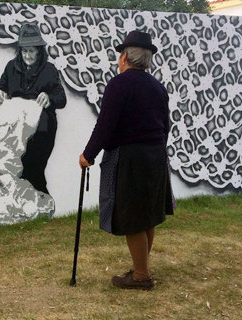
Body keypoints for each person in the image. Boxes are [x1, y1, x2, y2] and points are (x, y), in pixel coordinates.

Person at [79, 30, 174, 290]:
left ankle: (142, 276)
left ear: (124, 57)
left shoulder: (118, 85)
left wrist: (88, 155)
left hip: (130, 158)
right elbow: (166, 125)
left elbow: (105, 126)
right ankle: (141, 268)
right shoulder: (157, 87)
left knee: (133, 216)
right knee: (148, 215)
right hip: (155, 155)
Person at [0, 23, 67, 194]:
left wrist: (49, 98)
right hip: (13, 128)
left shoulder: (49, 70)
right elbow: (0, 87)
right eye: (24, 51)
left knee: (34, 170)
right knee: (15, 170)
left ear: (39, 51)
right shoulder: (11, 67)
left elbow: (61, 98)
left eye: (31, 51)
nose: (27, 55)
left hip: (41, 129)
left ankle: (42, 204)